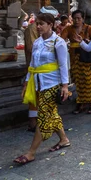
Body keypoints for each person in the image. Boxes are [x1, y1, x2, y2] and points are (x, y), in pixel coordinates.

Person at [13, 13, 70, 165]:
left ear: (50, 25)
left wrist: (65, 86)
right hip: (38, 82)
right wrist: (26, 83)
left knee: (43, 115)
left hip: (52, 83)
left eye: (42, 24)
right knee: (51, 112)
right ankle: (63, 139)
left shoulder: (58, 42)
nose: (38, 26)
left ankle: (31, 152)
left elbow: (64, 65)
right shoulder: (37, 42)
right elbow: (32, 65)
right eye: (37, 23)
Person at [60, 10, 91, 114]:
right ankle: (81, 103)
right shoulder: (68, 29)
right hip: (74, 58)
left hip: (86, 58)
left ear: (83, 19)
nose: (76, 21)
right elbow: (60, 40)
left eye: (79, 18)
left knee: (88, 81)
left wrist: (86, 41)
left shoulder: (88, 28)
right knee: (77, 81)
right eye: (74, 18)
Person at [23, 11, 39, 132]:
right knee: (33, 97)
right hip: (34, 68)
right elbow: (31, 48)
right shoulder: (31, 30)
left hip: (45, 71)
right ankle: (33, 122)